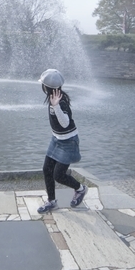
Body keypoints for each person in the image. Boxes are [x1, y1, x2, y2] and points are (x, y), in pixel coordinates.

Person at [35, 68, 88, 214]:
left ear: (46, 87)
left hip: (68, 142)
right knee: (47, 169)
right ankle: (51, 202)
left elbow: (65, 123)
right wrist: (54, 105)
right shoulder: (54, 97)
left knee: (58, 175)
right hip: (57, 139)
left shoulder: (60, 101)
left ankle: (80, 189)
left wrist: (56, 106)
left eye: (43, 85)